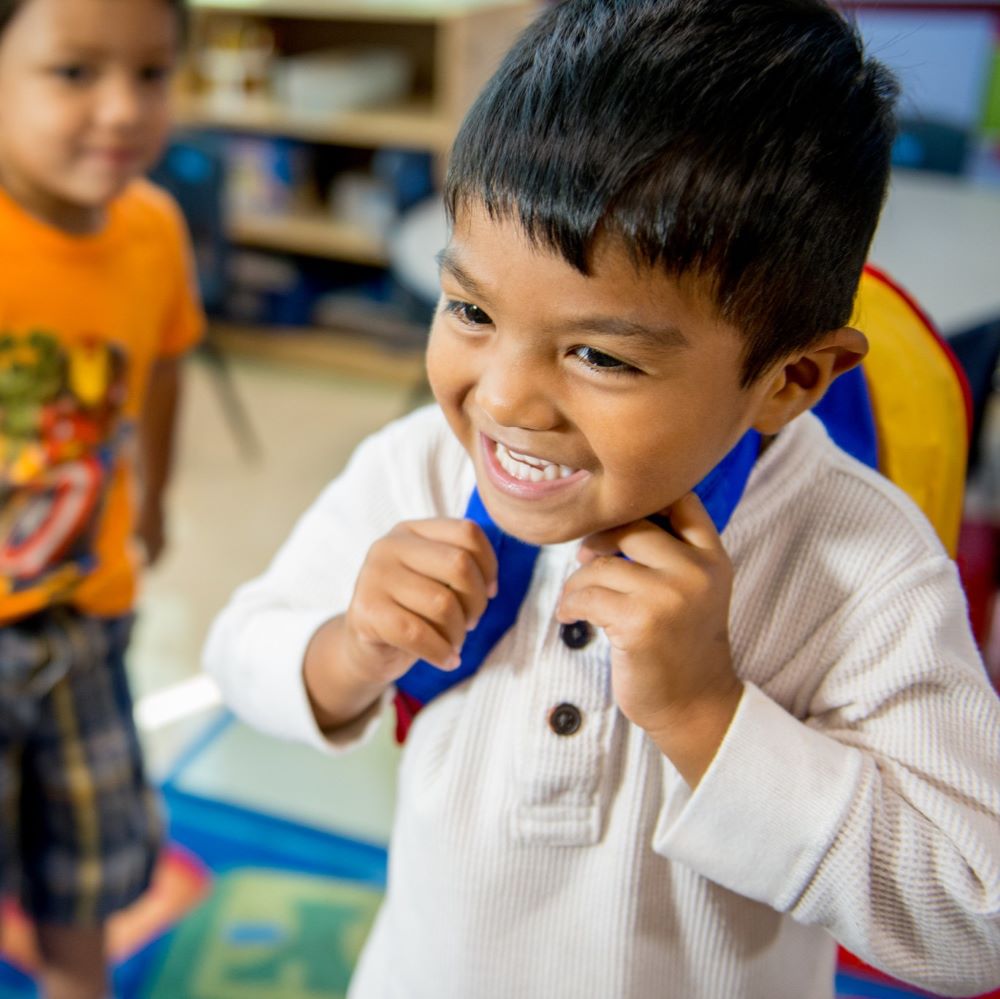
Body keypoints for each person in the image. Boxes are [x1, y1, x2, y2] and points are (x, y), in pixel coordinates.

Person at [204, 1, 1000, 996]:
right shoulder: (417, 467)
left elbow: (975, 920)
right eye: (470, 311)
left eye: (597, 354)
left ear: (790, 381)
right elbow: (239, 654)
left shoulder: (857, 560)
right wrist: (350, 648)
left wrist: (707, 713)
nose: (500, 399)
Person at [0, 0, 202, 995]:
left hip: (88, 617)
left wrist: (154, 496)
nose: (122, 108)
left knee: (84, 877)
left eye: (152, 74)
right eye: (74, 72)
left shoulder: (154, 229)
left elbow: (162, 365)